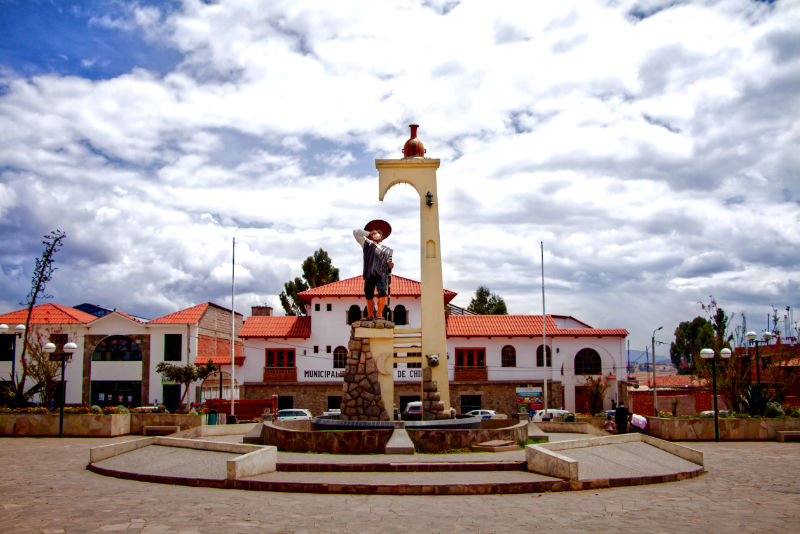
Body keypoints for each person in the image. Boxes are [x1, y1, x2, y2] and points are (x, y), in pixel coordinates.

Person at [353, 220, 394, 321]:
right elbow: (356, 232)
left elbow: (389, 262)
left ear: (382, 236)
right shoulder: (366, 244)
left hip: (382, 274)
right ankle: (370, 315)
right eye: (376, 232)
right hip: (369, 273)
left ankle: (379, 314)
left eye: (379, 232)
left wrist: (390, 265)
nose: (377, 234)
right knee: (368, 293)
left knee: (382, 293)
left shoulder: (388, 250)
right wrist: (368, 233)